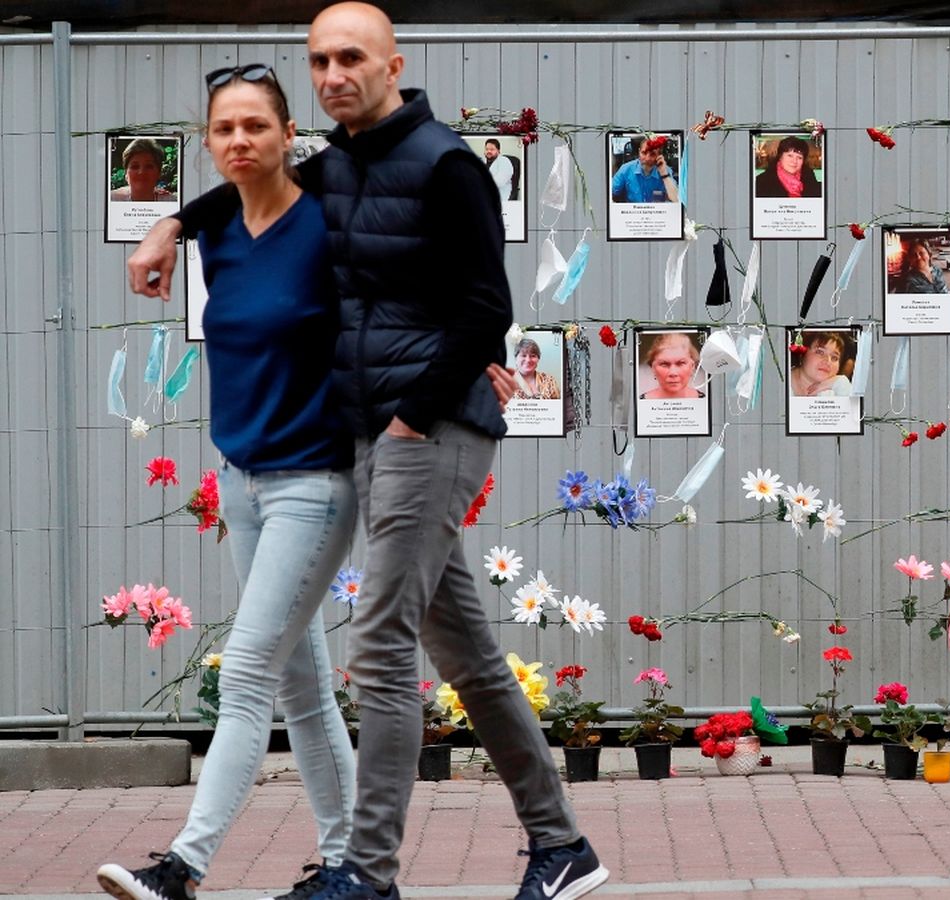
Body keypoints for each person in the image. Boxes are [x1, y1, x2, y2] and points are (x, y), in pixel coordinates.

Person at [125, 5, 609, 900]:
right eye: (319, 61)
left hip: (427, 428)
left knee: (381, 644)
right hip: (375, 429)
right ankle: (563, 844)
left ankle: (367, 873)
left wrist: (412, 418)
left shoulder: (447, 165)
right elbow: (250, 181)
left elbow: (488, 308)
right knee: (468, 656)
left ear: (393, 64)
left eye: (351, 57)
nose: (334, 74)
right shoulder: (339, 164)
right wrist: (172, 226)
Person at [97, 64, 358, 900]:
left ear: (289, 134)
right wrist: (170, 223)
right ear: (207, 142)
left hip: (314, 481)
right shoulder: (221, 227)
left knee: (245, 673)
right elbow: (223, 201)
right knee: (302, 687)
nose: (240, 140)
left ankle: (182, 867)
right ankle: (353, 866)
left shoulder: (328, 216)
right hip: (242, 482)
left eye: (256, 125)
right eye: (224, 129)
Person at [610, 135, 678, 204]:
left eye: (652, 154)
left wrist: (664, 175)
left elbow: (676, 200)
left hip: (656, 210)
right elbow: (608, 193)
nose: (647, 158)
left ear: (659, 156)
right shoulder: (626, 169)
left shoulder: (666, 171)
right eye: (644, 153)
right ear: (639, 152)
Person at [639, 331, 704, 400]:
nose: (673, 373)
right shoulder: (640, 403)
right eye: (664, 364)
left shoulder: (705, 402)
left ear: (692, 366)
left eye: (681, 363)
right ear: (653, 368)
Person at [753, 135, 821, 199]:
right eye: (790, 156)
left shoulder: (810, 179)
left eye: (799, 157)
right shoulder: (761, 182)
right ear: (780, 156)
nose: (794, 161)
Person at [109, 138, 176, 202]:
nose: (141, 172)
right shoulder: (111, 199)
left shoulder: (172, 201)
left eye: (149, 166)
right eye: (135, 167)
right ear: (126, 174)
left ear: (159, 172)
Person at [789, 331, 852, 397]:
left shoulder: (836, 389)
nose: (828, 362)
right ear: (802, 355)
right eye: (820, 352)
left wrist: (840, 383)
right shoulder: (782, 383)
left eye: (834, 357)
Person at [512, 336, 560, 400]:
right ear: (516, 358)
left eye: (533, 356)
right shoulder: (507, 381)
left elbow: (558, 405)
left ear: (538, 359)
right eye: (523, 355)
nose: (528, 360)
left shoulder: (549, 381)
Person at [483, 137, 515, 202]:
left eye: (492, 149)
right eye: (487, 149)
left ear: (498, 151)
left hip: (500, 198)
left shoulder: (504, 161)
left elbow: (500, 182)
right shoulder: (482, 161)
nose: (489, 151)